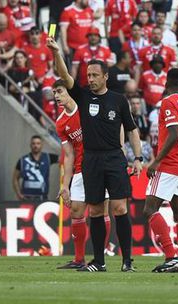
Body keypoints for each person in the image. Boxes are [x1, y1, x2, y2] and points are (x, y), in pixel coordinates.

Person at [53, 42, 143, 272]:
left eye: (94, 75)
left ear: (105, 76)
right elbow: (64, 75)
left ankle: (127, 261)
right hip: (91, 159)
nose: (90, 79)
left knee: (120, 208)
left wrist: (138, 157)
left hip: (114, 158)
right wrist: (56, 51)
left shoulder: (119, 100)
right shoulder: (82, 96)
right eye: (88, 75)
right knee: (95, 211)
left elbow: (132, 129)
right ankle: (99, 262)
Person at [48, 73, 112, 269]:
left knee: (99, 211)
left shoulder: (87, 109)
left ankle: (100, 257)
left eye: (59, 91)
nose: (56, 96)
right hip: (80, 169)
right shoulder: (60, 123)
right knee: (76, 210)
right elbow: (68, 155)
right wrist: (64, 185)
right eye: (54, 93)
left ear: (69, 92)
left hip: (100, 165)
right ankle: (79, 259)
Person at [143, 68, 178, 273]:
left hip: (169, 163)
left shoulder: (168, 102)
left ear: (167, 84)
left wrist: (156, 161)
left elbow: (173, 133)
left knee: (150, 208)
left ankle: (171, 256)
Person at [13, 135, 59, 201]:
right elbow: (15, 178)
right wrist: (19, 194)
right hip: (26, 198)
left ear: (42, 145)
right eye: (33, 143)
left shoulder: (48, 157)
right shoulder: (23, 160)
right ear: (30, 145)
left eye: (38, 143)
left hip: (42, 198)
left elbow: (63, 159)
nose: (35, 146)